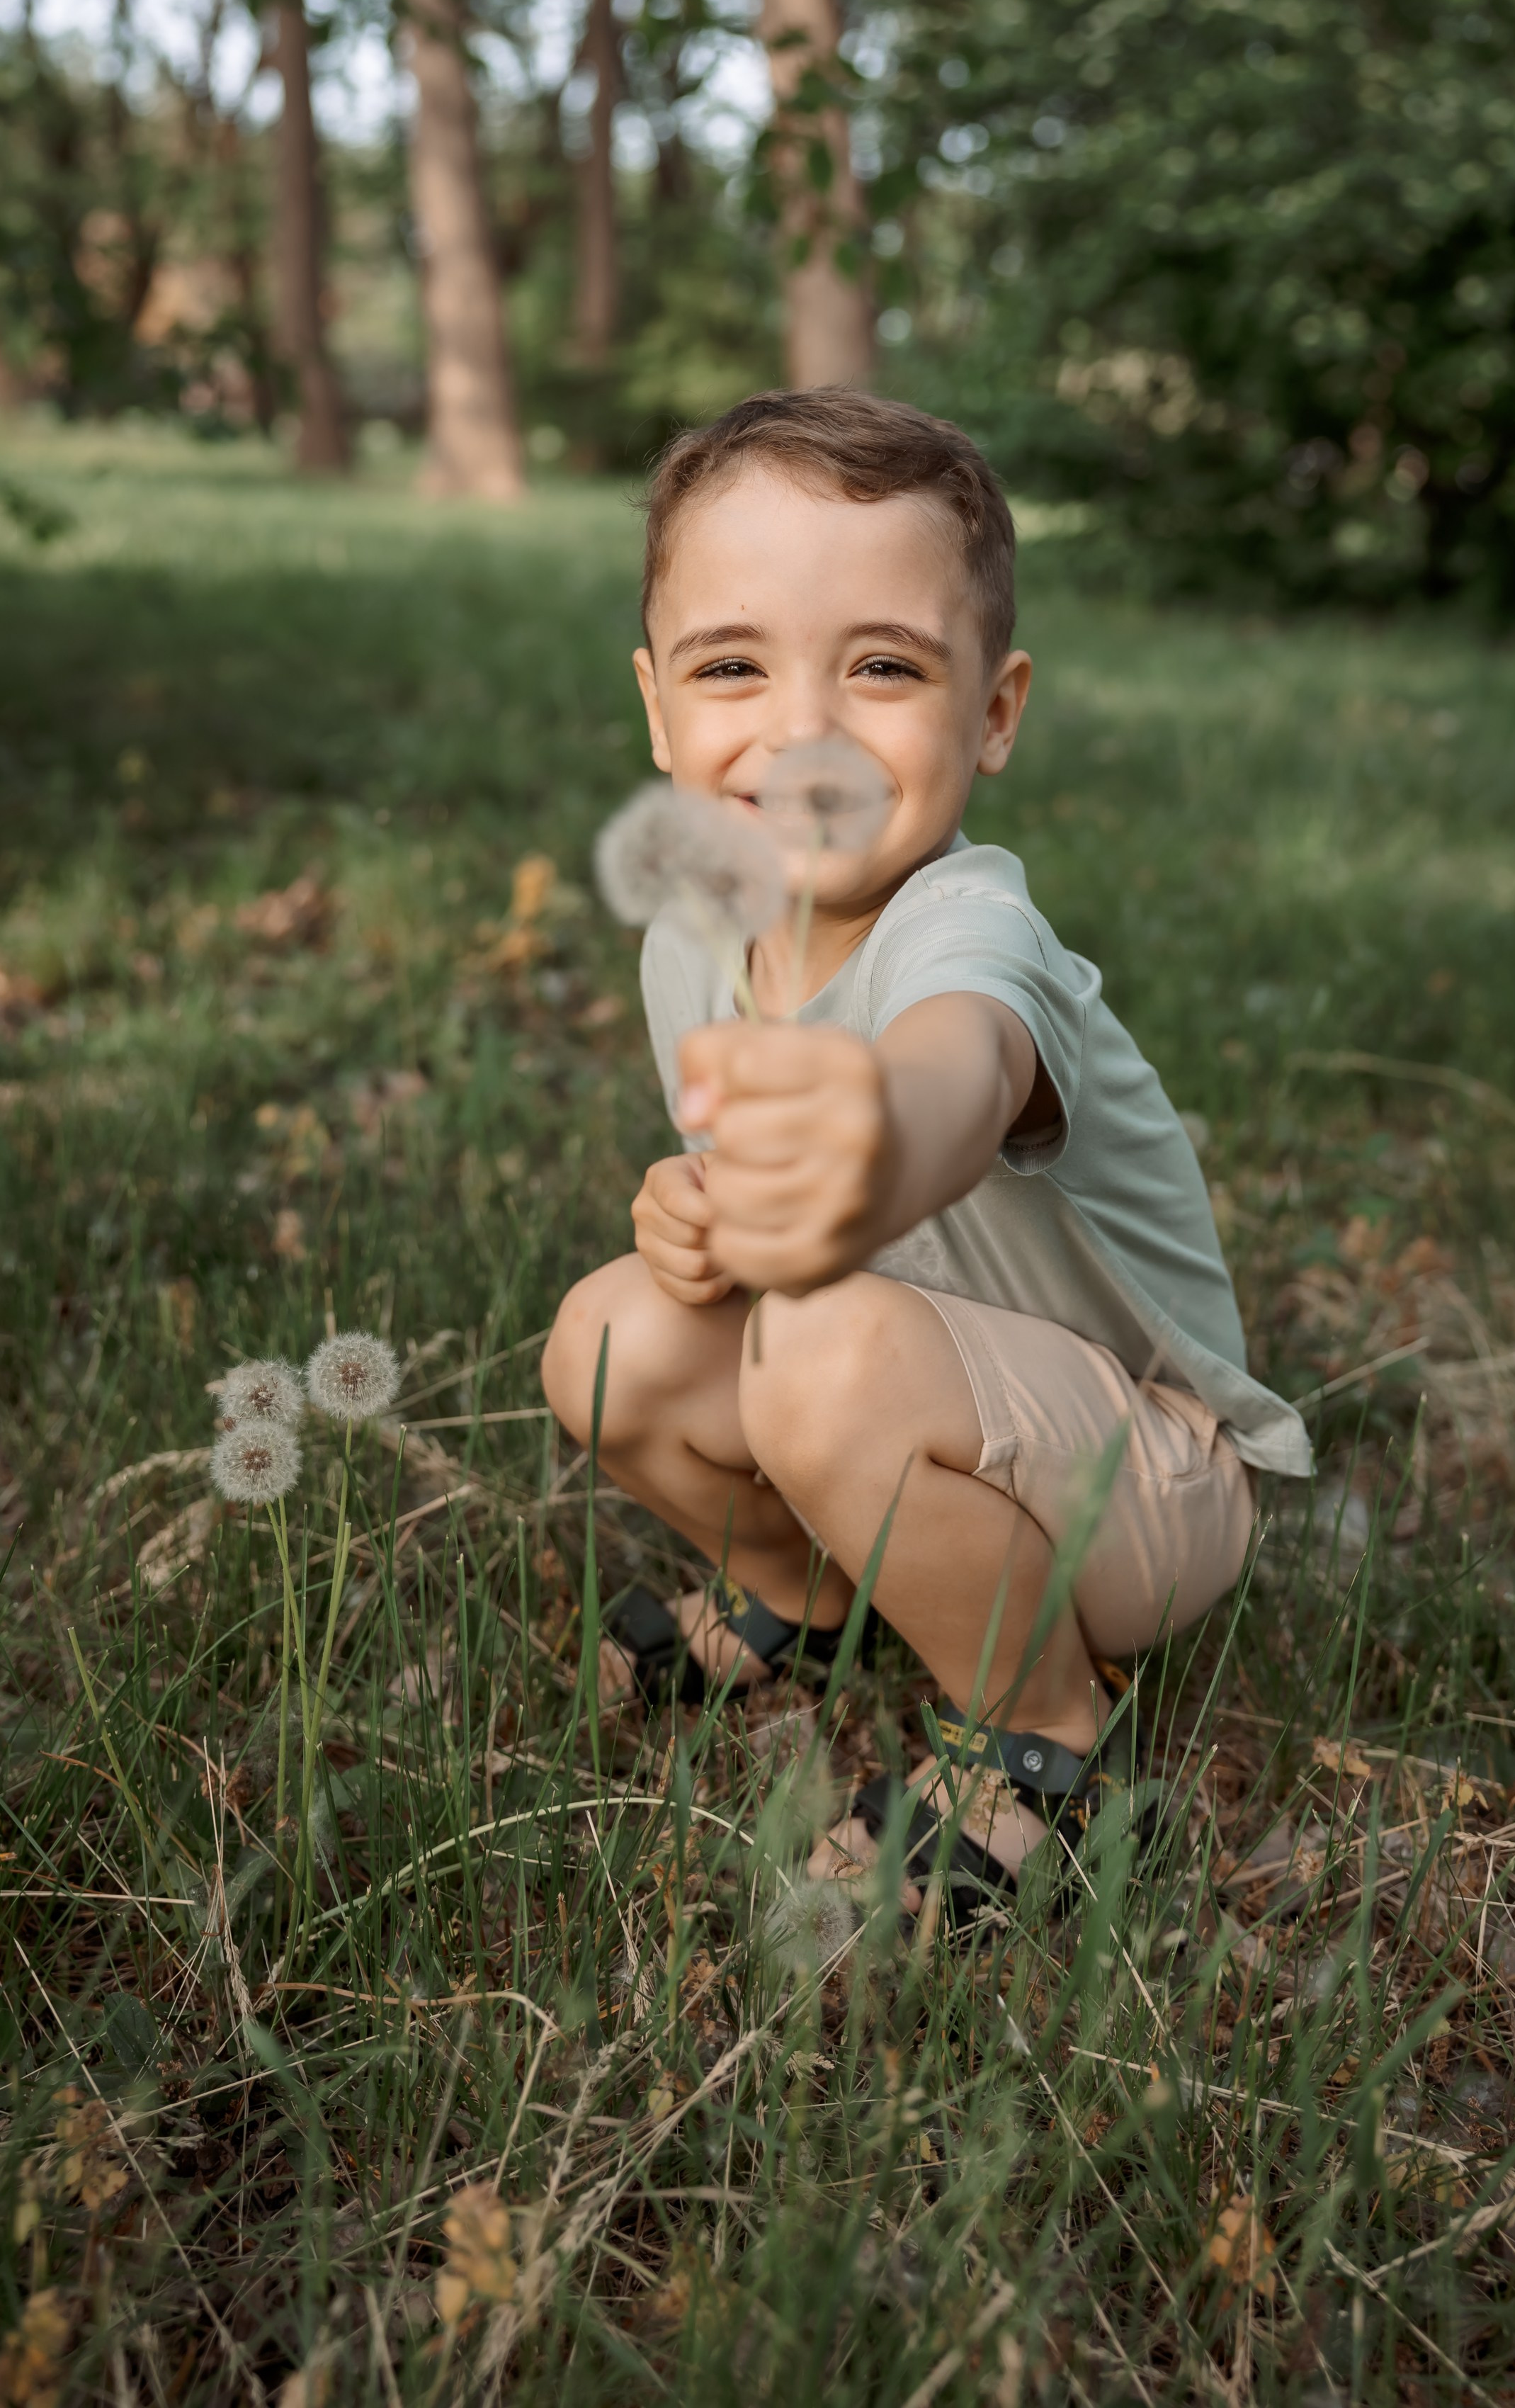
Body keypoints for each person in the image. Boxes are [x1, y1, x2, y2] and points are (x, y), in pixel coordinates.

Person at [542, 388, 1310, 1920]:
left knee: (821, 1351)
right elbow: (774, 1240)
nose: (805, 733)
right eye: (734, 666)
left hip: (1139, 1488)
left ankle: (1048, 1742)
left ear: (995, 714)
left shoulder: (973, 932)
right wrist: (708, 1214)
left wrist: (863, 1148)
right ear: (657, 708)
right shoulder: (695, 941)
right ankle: (804, 1592)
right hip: (919, 1404)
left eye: (884, 666)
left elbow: (954, 1074)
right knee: (610, 1336)